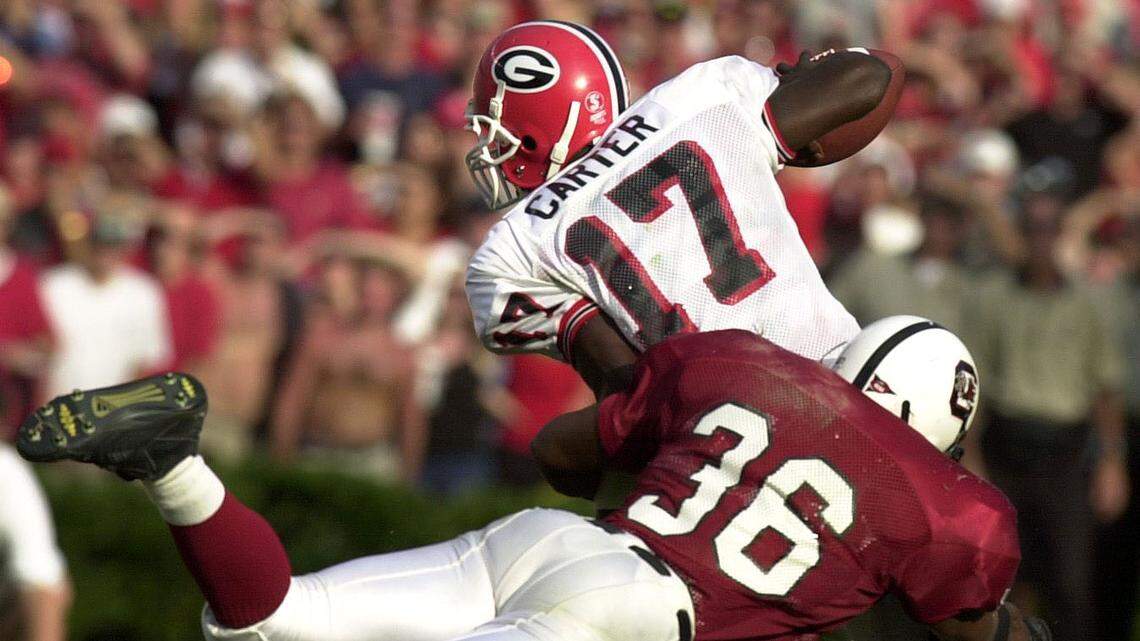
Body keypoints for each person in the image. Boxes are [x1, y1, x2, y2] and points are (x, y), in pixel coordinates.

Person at [16, 317, 1049, 641]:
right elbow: (968, 619)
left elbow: (562, 451)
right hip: (634, 618)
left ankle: (173, 463)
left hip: (556, 542)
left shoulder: (749, 366)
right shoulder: (950, 502)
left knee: (272, 621)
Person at [464, 21, 892, 397]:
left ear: (538, 127)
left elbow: (627, 392)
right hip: (851, 376)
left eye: (495, 131)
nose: (489, 149)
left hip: (727, 432)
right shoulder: (697, 96)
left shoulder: (511, 250)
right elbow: (873, 73)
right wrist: (806, 78)